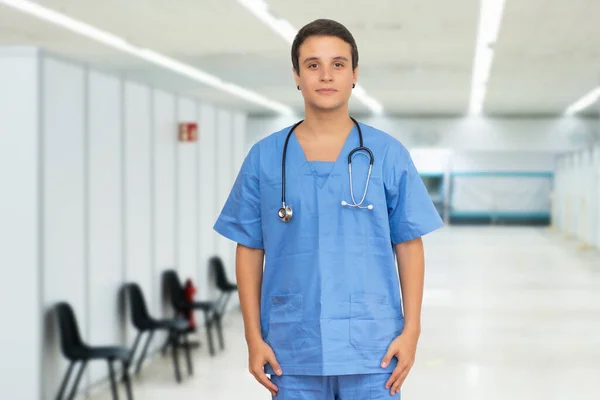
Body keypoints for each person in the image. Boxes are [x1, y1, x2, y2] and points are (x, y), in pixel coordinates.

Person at [213, 18, 444, 399]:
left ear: (354, 74)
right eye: (312, 64)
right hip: (291, 349)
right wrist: (253, 337)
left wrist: (412, 331)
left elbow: (409, 244)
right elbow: (249, 248)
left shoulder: (387, 154)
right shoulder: (265, 157)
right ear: (297, 75)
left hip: (375, 350)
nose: (326, 75)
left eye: (338, 64)